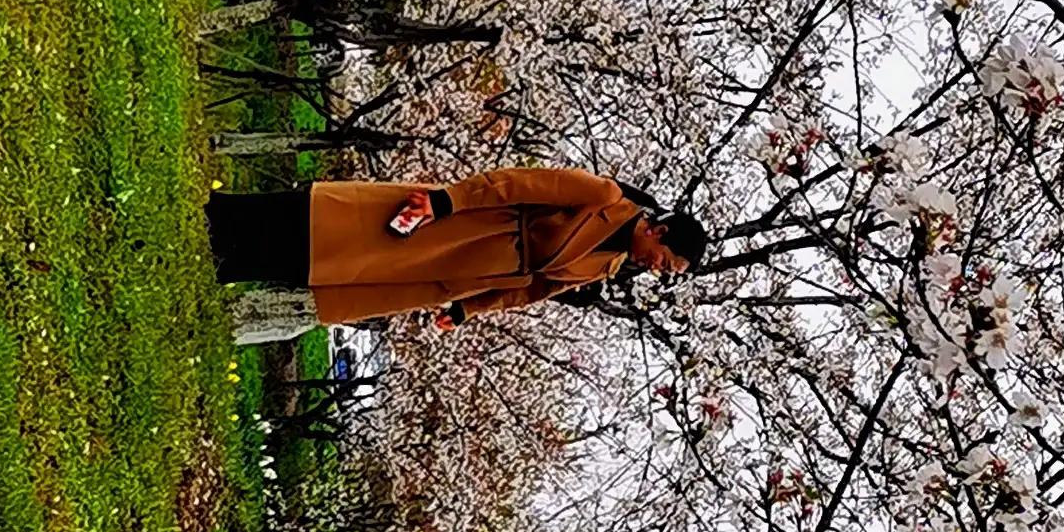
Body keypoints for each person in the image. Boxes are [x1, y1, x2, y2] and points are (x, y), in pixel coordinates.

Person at [205, 169, 709, 343]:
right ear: (658, 229)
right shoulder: (601, 197)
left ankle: (235, 264)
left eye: (666, 273)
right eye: (664, 260)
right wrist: (447, 200)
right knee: (345, 229)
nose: (655, 269)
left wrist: (468, 309)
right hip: (465, 225)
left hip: (460, 275)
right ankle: (227, 220)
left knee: (347, 275)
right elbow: (519, 181)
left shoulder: (606, 265)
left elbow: (532, 291)